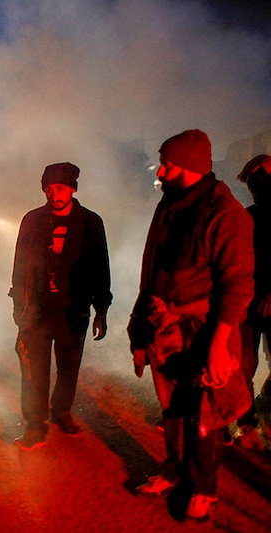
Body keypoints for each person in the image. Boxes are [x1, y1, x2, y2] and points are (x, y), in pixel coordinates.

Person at [128, 130, 254, 521]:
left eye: (168, 164)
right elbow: (150, 269)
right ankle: (173, 470)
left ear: (192, 167)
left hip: (205, 328)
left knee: (205, 412)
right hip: (165, 328)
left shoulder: (225, 213)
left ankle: (203, 487)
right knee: (173, 409)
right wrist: (138, 330)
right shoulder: (169, 204)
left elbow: (238, 285)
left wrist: (219, 344)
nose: (160, 171)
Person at [9, 162, 112, 450]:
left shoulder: (91, 222)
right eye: (50, 188)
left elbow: (100, 266)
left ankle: (62, 410)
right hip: (37, 309)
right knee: (34, 371)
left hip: (73, 309)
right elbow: (20, 265)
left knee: (69, 367)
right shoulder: (32, 220)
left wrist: (101, 308)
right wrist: (19, 305)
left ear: (73, 189)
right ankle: (35, 423)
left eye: (61, 188)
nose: (55, 194)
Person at [236, 155, 271, 430]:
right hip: (248, 302)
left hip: (262, 301)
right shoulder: (248, 216)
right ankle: (247, 419)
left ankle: (262, 408)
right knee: (245, 364)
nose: (254, 190)